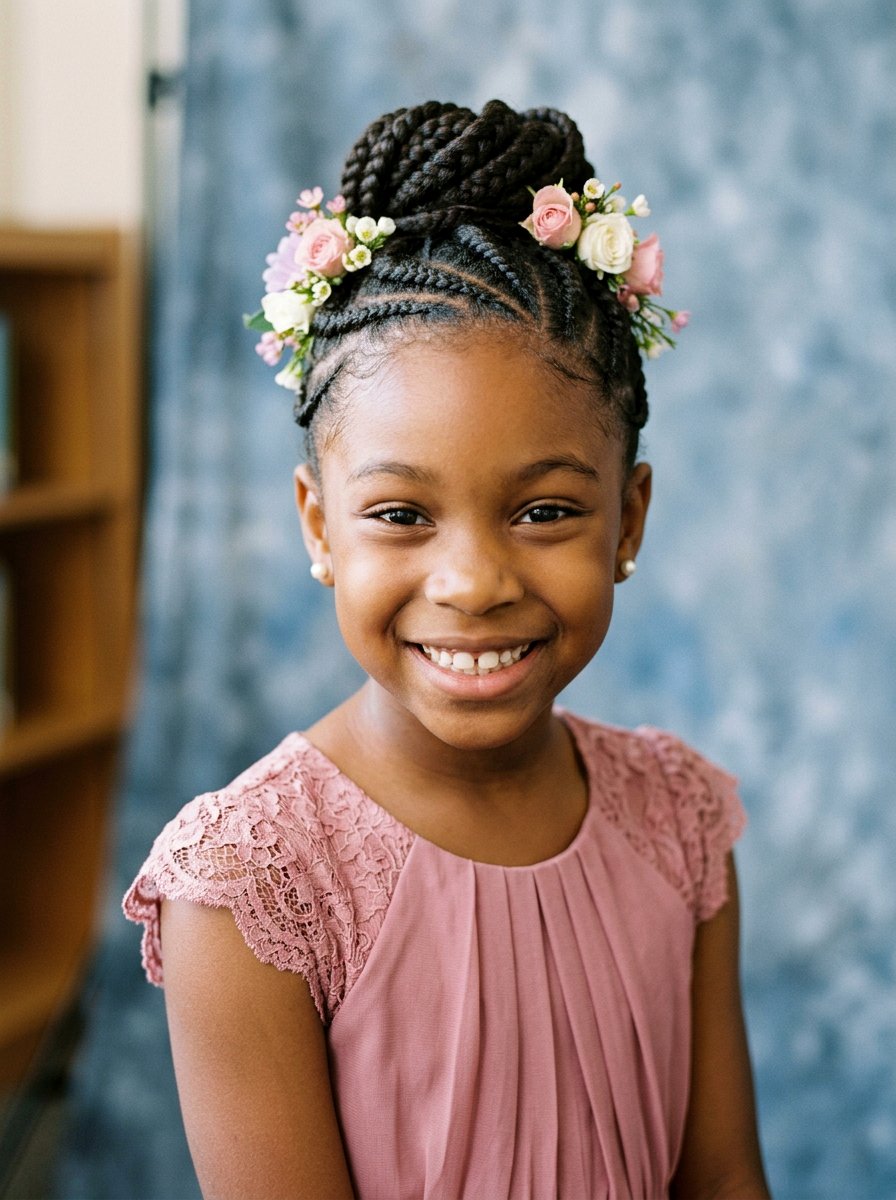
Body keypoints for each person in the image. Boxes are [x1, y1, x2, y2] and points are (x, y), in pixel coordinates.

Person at [124, 99, 771, 1200]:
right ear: (319, 526)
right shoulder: (248, 887)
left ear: (628, 521)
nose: (472, 583)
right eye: (398, 515)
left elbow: (720, 1179)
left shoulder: (680, 821)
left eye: (544, 512)